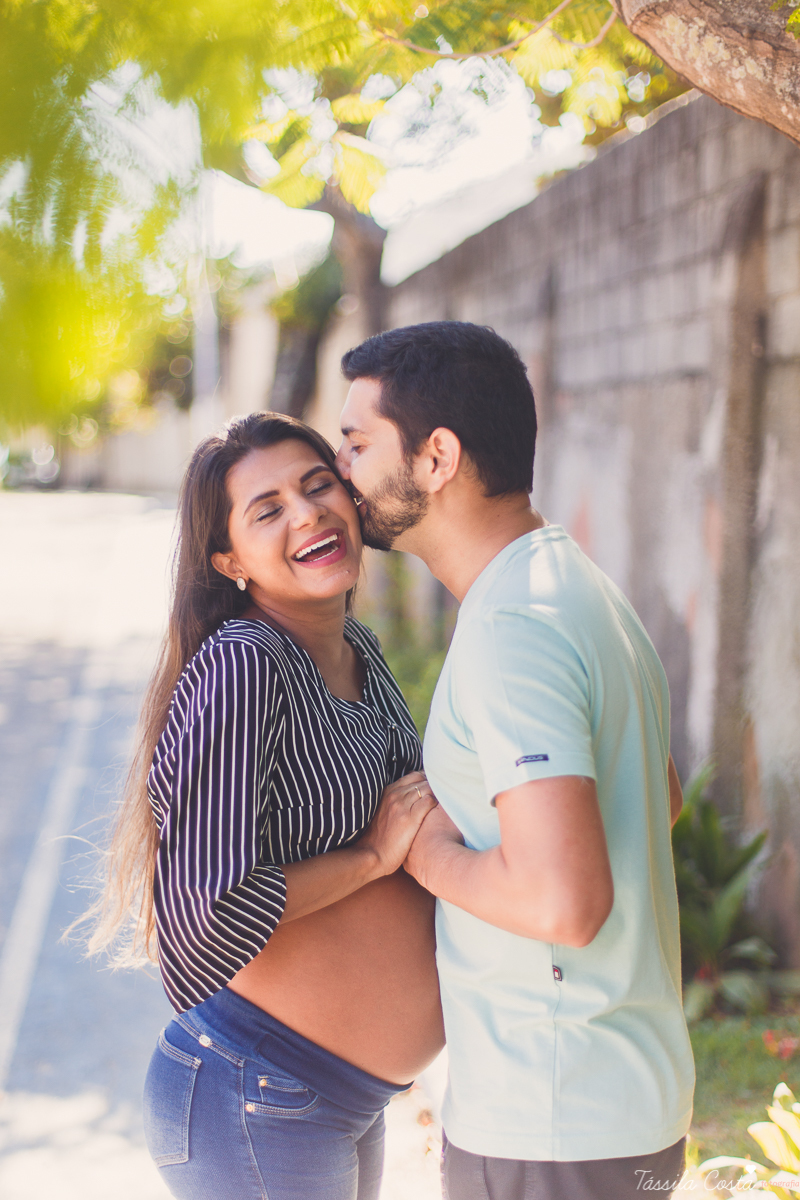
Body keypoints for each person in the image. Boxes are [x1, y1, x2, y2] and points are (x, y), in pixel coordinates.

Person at [336, 321, 695, 1200]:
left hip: (552, 1118)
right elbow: (662, 798)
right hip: (621, 1108)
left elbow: (564, 901)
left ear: (436, 458)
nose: (340, 471)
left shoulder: (513, 629)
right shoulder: (574, 587)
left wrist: (425, 853)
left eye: (356, 443)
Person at [91, 412, 444, 1200]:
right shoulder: (246, 665)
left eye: (319, 486)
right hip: (256, 1091)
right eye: (268, 509)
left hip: (334, 1098)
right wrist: (371, 859)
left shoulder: (360, 648)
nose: (309, 512)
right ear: (228, 559)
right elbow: (209, 908)